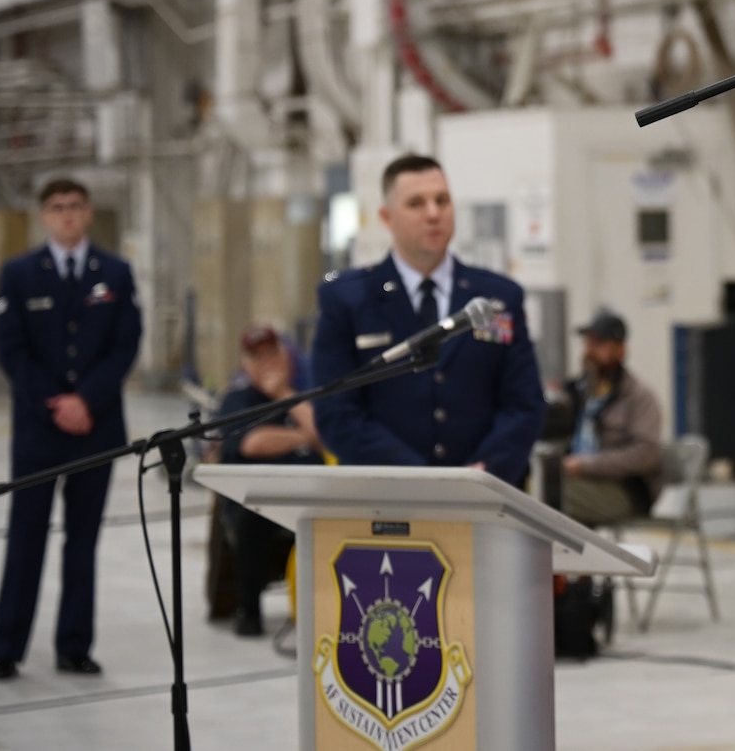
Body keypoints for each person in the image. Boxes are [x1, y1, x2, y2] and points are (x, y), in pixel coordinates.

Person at [0, 178, 143, 681]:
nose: (67, 215)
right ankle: (7, 647)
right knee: (25, 537)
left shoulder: (115, 273)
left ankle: (74, 645)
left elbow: (125, 345)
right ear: (44, 216)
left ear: (89, 213)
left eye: (75, 206)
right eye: (57, 207)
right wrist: (56, 403)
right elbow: (11, 351)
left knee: (83, 540)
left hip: (95, 428)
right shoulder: (19, 274)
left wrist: (86, 400)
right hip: (39, 428)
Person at [310, 154, 544, 484]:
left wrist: (485, 471)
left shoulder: (497, 298)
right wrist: (418, 479)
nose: (434, 214)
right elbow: (337, 413)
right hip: (386, 495)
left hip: (488, 494)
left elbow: (524, 405)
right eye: (416, 203)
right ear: (386, 217)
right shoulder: (349, 301)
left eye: (442, 201)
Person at [214, 324, 324, 636]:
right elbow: (253, 443)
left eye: (272, 354)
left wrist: (284, 396)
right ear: (245, 365)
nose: (267, 363)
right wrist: (305, 436)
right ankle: (249, 609)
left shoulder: (306, 395)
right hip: (258, 501)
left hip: (310, 495)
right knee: (253, 516)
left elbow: (328, 436)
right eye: (257, 357)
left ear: (286, 356)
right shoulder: (238, 400)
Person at [559, 309, 665, 527]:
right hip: (579, 480)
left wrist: (585, 466)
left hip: (625, 489)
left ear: (621, 349)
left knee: (551, 496)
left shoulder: (639, 396)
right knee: (536, 486)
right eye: (587, 343)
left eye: (599, 343)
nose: (589, 350)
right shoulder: (579, 391)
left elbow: (645, 454)